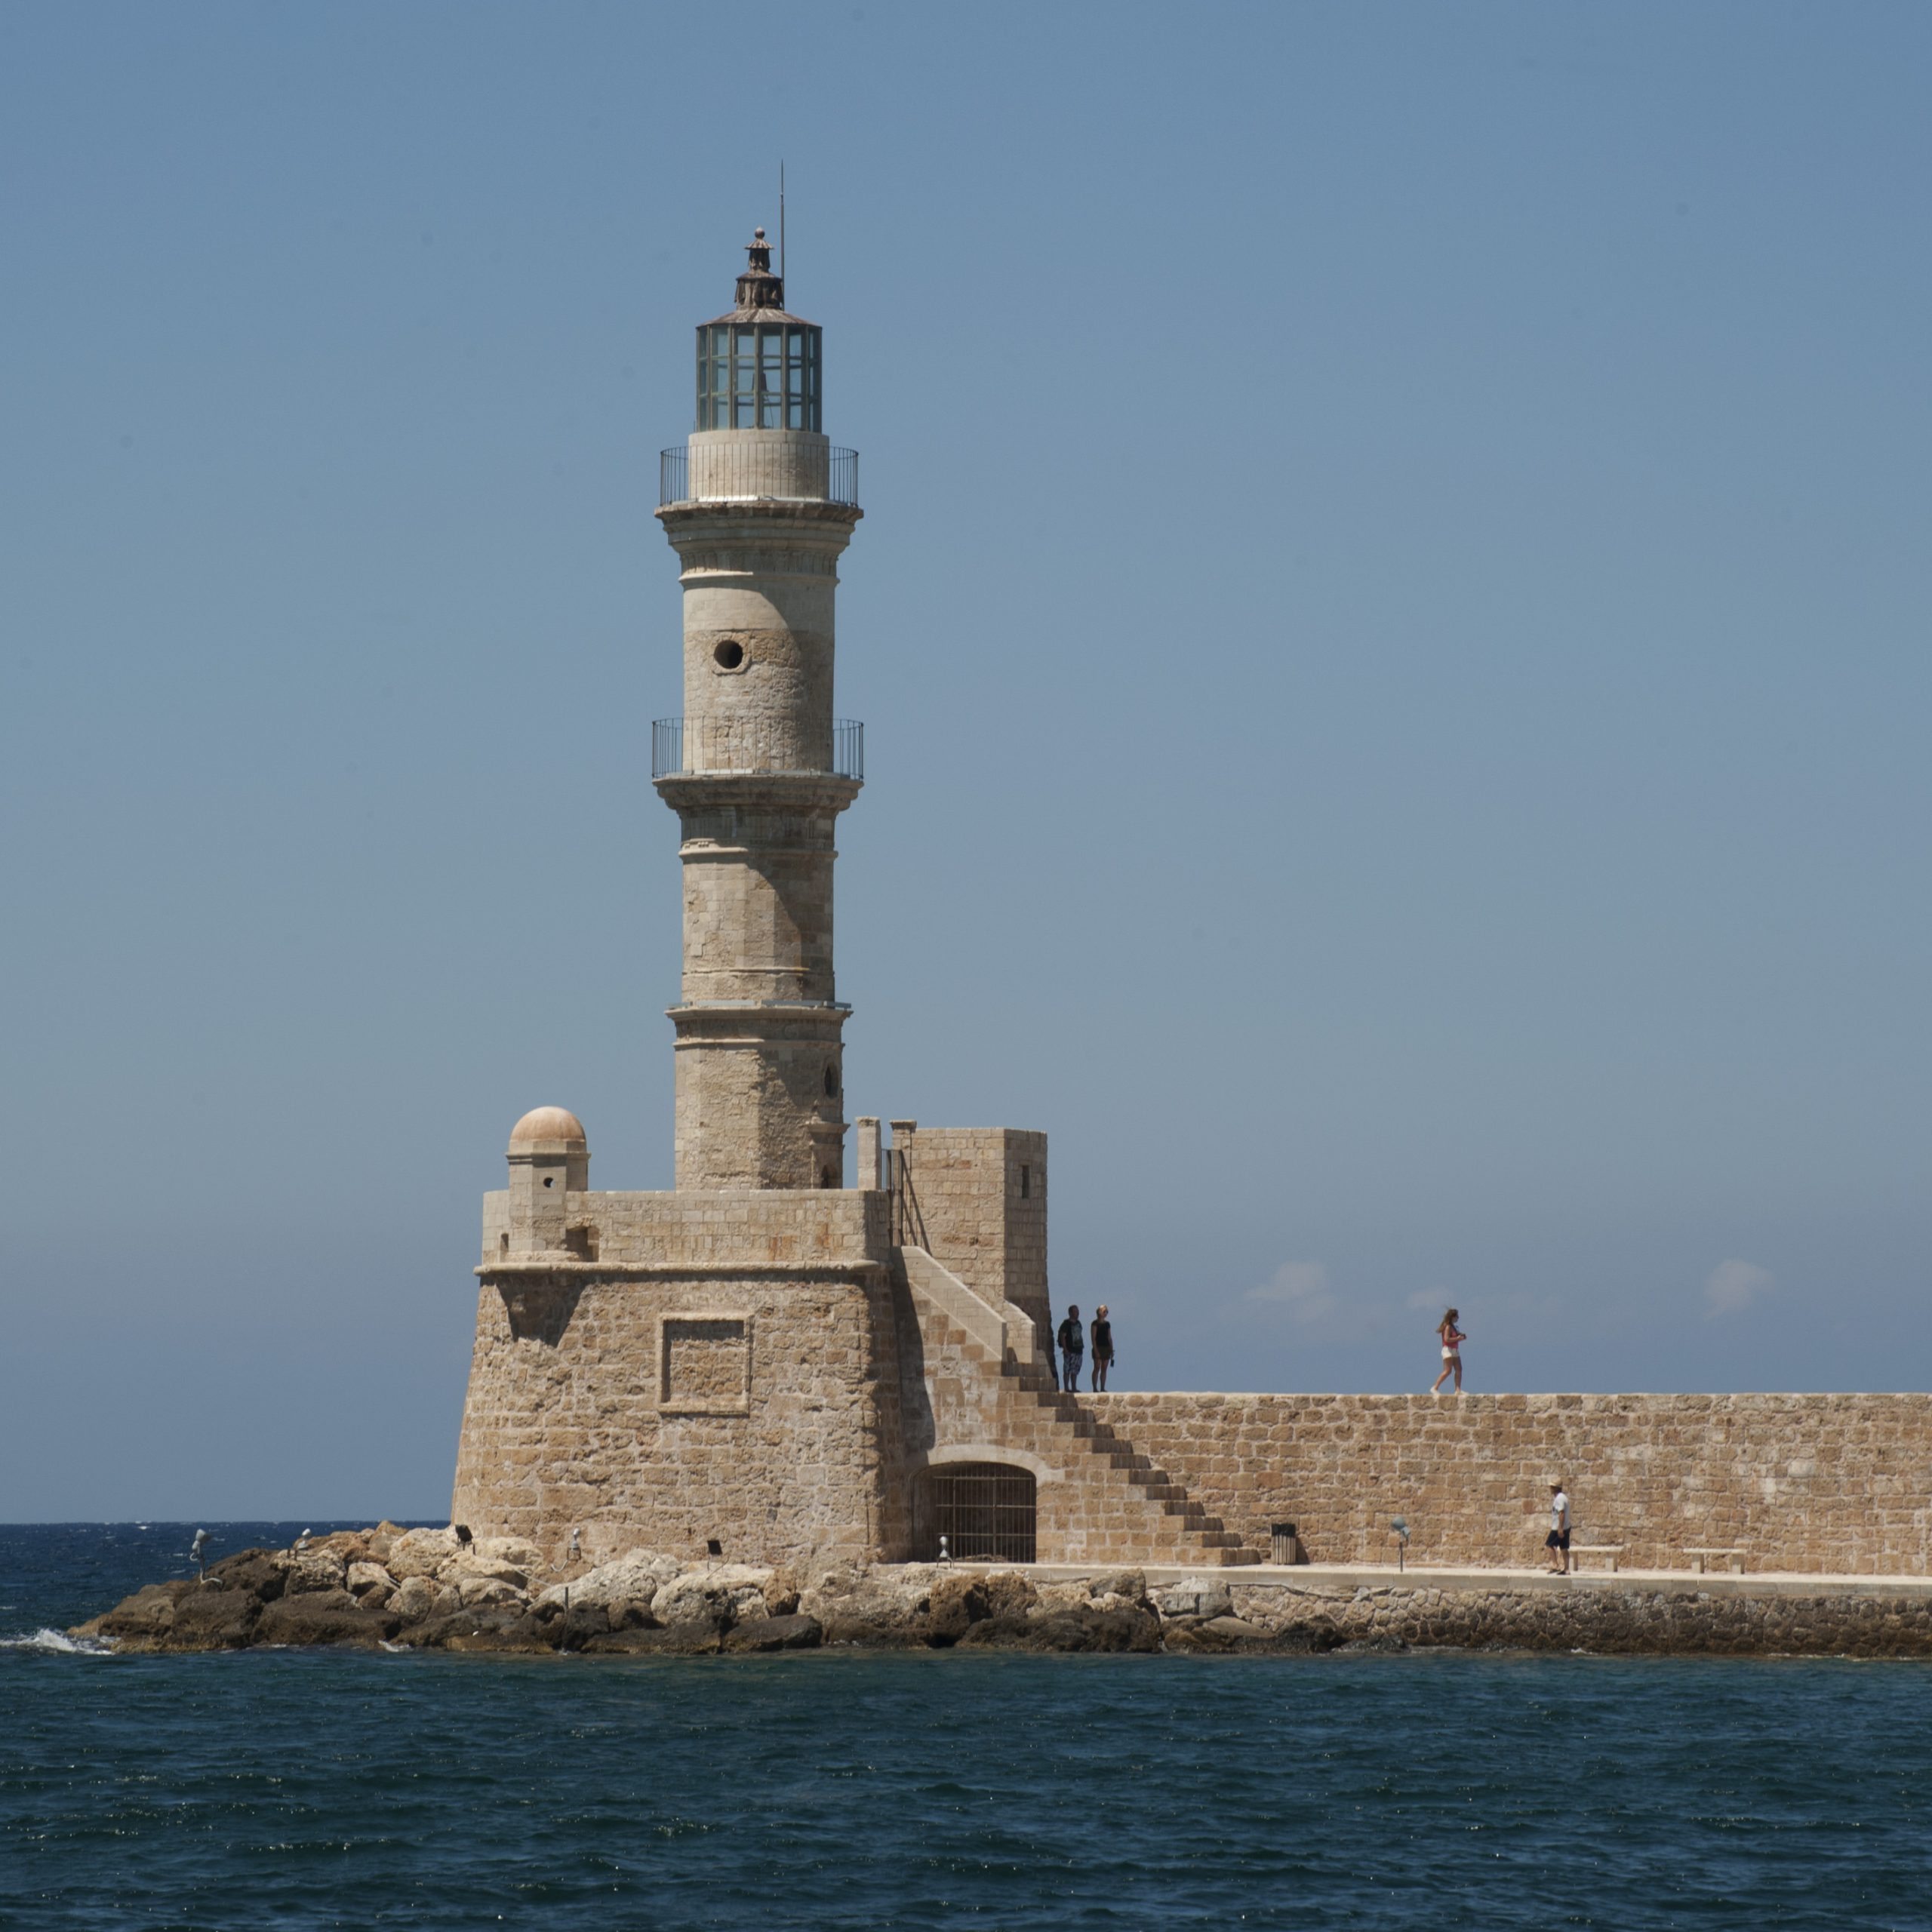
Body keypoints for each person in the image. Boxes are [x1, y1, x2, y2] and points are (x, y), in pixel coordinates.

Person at [1430, 1307, 1466, 1394]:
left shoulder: (1454, 1327)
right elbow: (1446, 1339)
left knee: (1459, 1369)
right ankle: (1435, 1387)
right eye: (1457, 1316)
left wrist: (1461, 1337)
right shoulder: (1448, 1327)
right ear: (1452, 1317)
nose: (1458, 1318)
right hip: (1448, 1350)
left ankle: (1458, 1390)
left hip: (1455, 1349)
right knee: (1448, 1370)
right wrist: (1457, 1339)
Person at [1056, 1304, 1084, 1395]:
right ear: (1071, 1313)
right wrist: (1065, 1349)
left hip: (1078, 1350)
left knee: (1075, 1370)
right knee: (1067, 1370)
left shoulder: (1078, 1323)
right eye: (1076, 1312)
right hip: (1069, 1350)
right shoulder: (1066, 1324)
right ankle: (1067, 1388)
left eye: (1078, 1312)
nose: (1078, 1313)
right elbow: (1063, 1336)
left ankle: (1074, 1387)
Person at [1545, 1480, 1571, 1574]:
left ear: (1556, 1488)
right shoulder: (1563, 1497)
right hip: (1566, 1526)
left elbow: (1561, 1513)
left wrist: (1560, 1528)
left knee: (1549, 1545)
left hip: (1558, 1527)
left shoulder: (1559, 1499)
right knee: (1564, 1547)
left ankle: (1555, 1565)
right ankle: (1567, 1569)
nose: (1550, 1489)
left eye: (1552, 1487)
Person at [1089, 1305, 1115, 1391]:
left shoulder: (1107, 1324)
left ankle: (1102, 1388)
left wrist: (1111, 1349)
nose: (1106, 1313)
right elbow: (1093, 1338)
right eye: (1104, 1311)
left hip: (1106, 1347)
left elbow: (1109, 1337)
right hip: (1098, 1347)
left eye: (1107, 1312)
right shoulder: (1095, 1324)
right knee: (1097, 1368)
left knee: (1104, 1369)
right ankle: (1095, 1388)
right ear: (1099, 1312)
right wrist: (1095, 1350)